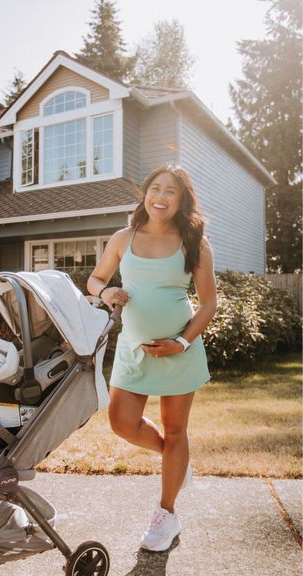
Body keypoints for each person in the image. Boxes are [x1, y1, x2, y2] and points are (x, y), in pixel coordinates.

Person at [87, 165, 217, 552]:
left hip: (180, 352)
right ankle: (176, 460)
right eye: (155, 188)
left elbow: (209, 303)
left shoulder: (194, 243)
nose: (160, 197)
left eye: (170, 192)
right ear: (145, 194)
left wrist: (181, 341)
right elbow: (95, 280)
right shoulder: (123, 238)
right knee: (121, 423)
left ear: (181, 201)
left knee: (176, 431)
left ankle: (167, 514)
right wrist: (105, 293)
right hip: (132, 351)